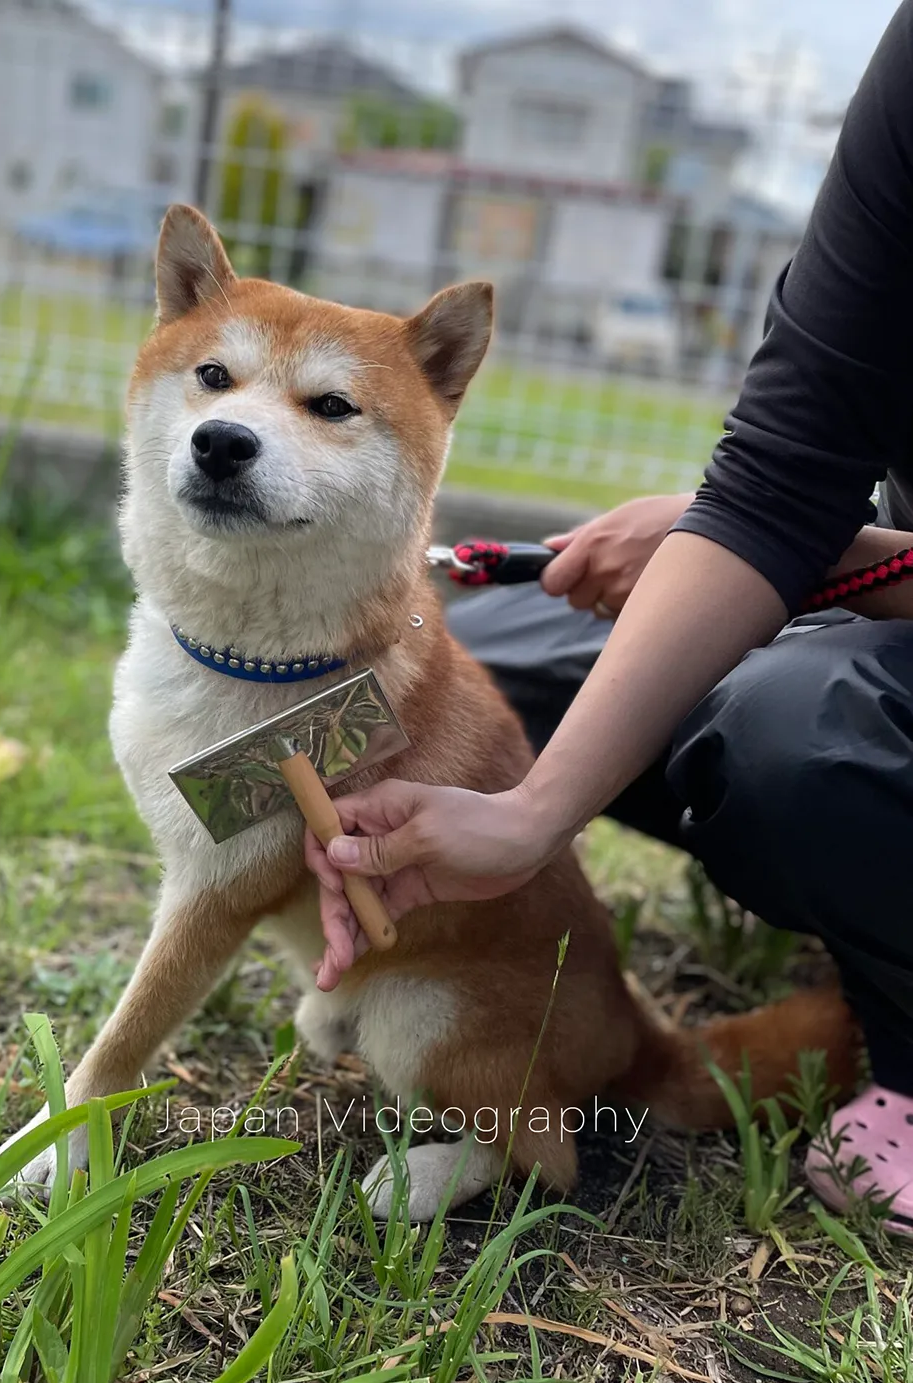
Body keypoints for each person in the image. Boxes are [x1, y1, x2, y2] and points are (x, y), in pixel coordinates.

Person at [305, 2, 913, 1235]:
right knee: (459, 663)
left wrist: (812, 556)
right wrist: (729, 527)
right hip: (881, 600)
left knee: (789, 734)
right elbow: (783, 473)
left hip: (861, 648)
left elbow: (795, 530)